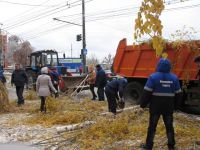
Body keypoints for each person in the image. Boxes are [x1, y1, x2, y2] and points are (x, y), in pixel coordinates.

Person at [140, 58, 182, 150]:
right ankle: (171, 146)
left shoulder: (153, 77)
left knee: (152, 127)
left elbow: (146, 93)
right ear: (169, 67)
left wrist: (142, 104)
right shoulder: (174, 78)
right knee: (169, 127)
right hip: (168, 108)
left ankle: (148, 146)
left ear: (158, 66)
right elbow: (179, 94)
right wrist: (177, 107)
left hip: (155, 108)